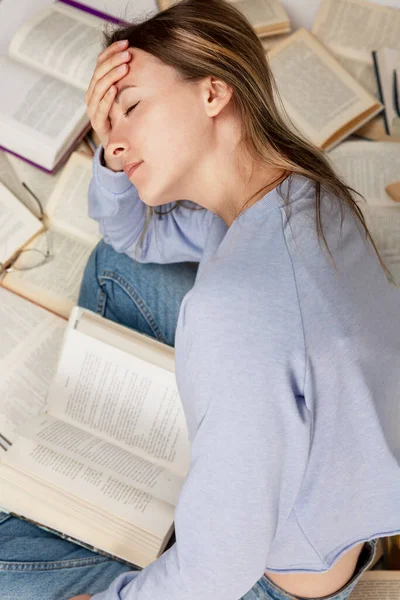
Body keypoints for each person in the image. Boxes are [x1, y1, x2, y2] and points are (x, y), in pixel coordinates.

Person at [1, 1, 400, 599]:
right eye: (107, 128)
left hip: (269, 578)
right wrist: (114, 142)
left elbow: (215, 573)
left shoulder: (232, 311)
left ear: (214, 93)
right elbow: (133, 235)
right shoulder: (301, 190)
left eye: (132, 107)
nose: (116, 141)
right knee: (119, 264)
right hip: (325, 496)